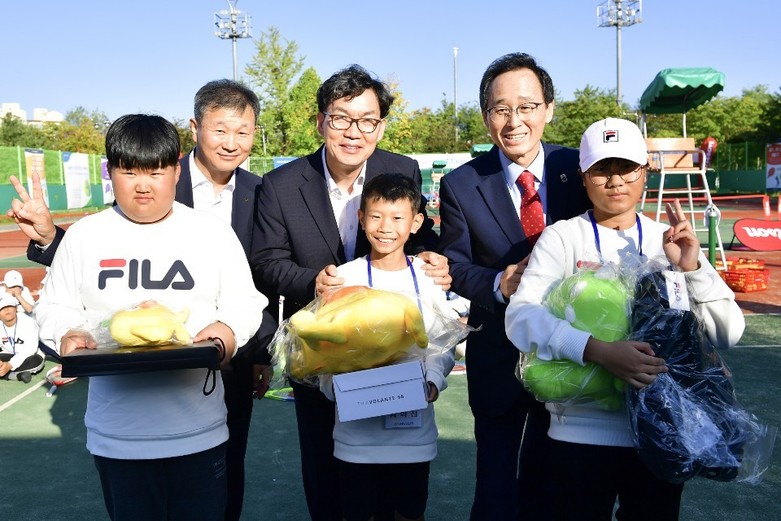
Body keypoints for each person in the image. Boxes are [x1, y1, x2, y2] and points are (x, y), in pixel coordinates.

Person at [7, 79, 269, 521]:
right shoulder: (87, 236)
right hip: (118, 436)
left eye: (156, 171)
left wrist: (226, 332)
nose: (143, 186)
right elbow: (54, 307)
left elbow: (245, 303)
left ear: (176, 172)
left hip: (199, 430)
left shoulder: (211, 233)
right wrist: (67, 334)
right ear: (112, 172)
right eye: (130, 172)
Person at [504, 117, 745, 520]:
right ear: (583, 177)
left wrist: (693, 268)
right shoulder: (562, 237)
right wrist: (598, 351)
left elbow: (729, 332)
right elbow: (521, 317)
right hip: (577, 434)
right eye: (601, 169)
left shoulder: (668, 239)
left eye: (626, 167)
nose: (615, 180)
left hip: (662, 432)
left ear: (645, 173)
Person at [252, 64, 450, 521]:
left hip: (393, 355)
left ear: (380, 125)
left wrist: (435, 258)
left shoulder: (402, 169)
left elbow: (418, 236)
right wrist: (314, 283)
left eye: (367, 120)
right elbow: (265, 261)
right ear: (321, 121)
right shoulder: (281, 185)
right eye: (342, 118)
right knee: (324, 469)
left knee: (394, 480)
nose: (354, 132)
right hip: (323, 351)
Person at [436, 52, 592, 520]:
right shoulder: (462, 183)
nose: (514, 120)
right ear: (486, 118)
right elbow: (456, 264)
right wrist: (498, 283)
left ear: (547, 109)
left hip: (571, 352)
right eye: (501, 109)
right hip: (499, 356)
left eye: (526, 106)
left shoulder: (579, 169)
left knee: (561, 479)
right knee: (496, 480)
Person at [318, 173, 457, 521]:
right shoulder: (342, 279)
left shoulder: (428, 278)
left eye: (397, 218)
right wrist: (335, 383)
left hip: (413, 435)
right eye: (376, 216)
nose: (385, 227)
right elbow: (322, 350)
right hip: (356, 439)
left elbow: (442, 344)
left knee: (408, 513)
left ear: (416, 223)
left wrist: (433, 382)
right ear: (362, 219)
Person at [0, 292, 44, 383]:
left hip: (29, 357)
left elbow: (30, 349)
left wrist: (10, 365)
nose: (6, 309)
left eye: (9, 306)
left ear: (16, 308)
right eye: (2, 308)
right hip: (8, 355)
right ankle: (16, 375)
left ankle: (8, 374)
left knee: (35, 362)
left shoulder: (28, 322)